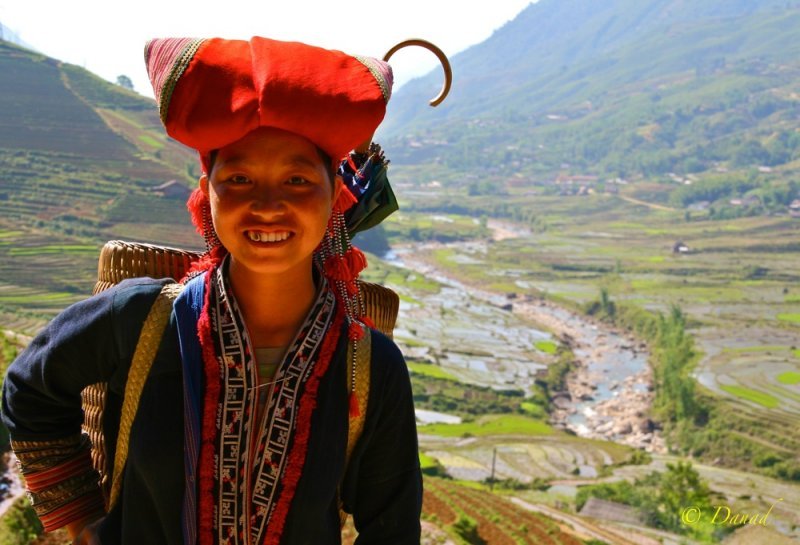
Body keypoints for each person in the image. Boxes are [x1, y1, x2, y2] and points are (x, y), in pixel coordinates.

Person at [2, 36, 422, 544]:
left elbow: (391, 527)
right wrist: (81, 520)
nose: (267, 205)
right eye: (240, 179)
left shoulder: (370, 366)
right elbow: (30, 387)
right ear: (208, 193)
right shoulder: (139, 320)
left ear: (334, 194)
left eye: (296, 181)